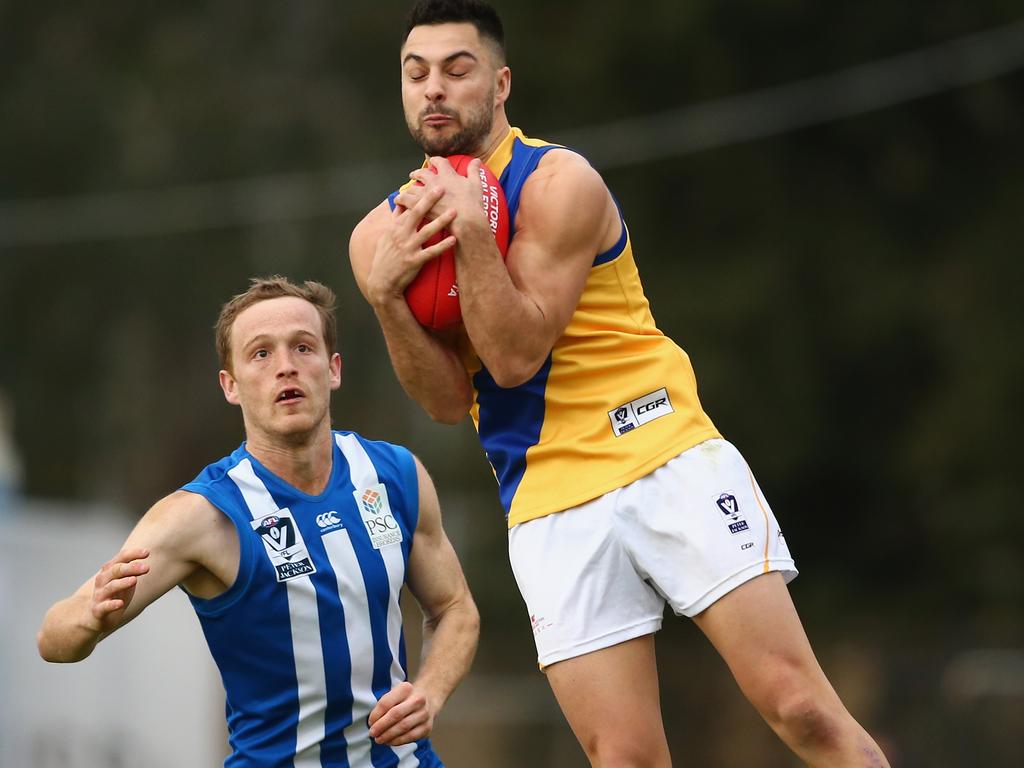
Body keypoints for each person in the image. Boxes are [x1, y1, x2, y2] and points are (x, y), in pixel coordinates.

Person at [348, 1, 892, 766]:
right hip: (546, 500)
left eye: (457, 69)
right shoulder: (380, 235)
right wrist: (383, 299)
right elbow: (446, 400)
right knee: (625, 758)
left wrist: (471, 231)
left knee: (799, 706)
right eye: (416, 74)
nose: (434, 88)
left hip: (661, 450)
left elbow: (514, 358)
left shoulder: (560, 181)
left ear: (501, 84)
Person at [37, 276, 479, 768]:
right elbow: (53, 639)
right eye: (261, 354)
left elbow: (455, 607)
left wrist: (431, 694)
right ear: (231, 385)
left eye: (303, 347)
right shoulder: (201, 515)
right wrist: (90, 618)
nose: (286, 366)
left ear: (333, 370)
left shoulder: (394, 475)